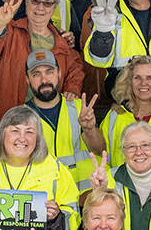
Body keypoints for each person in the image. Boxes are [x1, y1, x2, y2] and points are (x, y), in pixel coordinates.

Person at [0, 0, 84, 113]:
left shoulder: (63, 41)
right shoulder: (11, 31)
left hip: (47, 117)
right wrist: (0, 23)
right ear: (26, 3)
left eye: (47, 3)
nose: (40, 7)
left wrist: (72, 89)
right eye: (35, 1)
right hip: (10, 114)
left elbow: (75, 69)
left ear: (54, 8)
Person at [21, 50, 101, 191]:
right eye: (36, 74)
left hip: (86, 197)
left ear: (59, 74)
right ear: (27, 80)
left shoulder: (79, 107)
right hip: (46, 203)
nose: (44, 80)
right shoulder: (20, 117)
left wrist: (90, 130)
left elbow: (100, 151)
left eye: (49, 72)